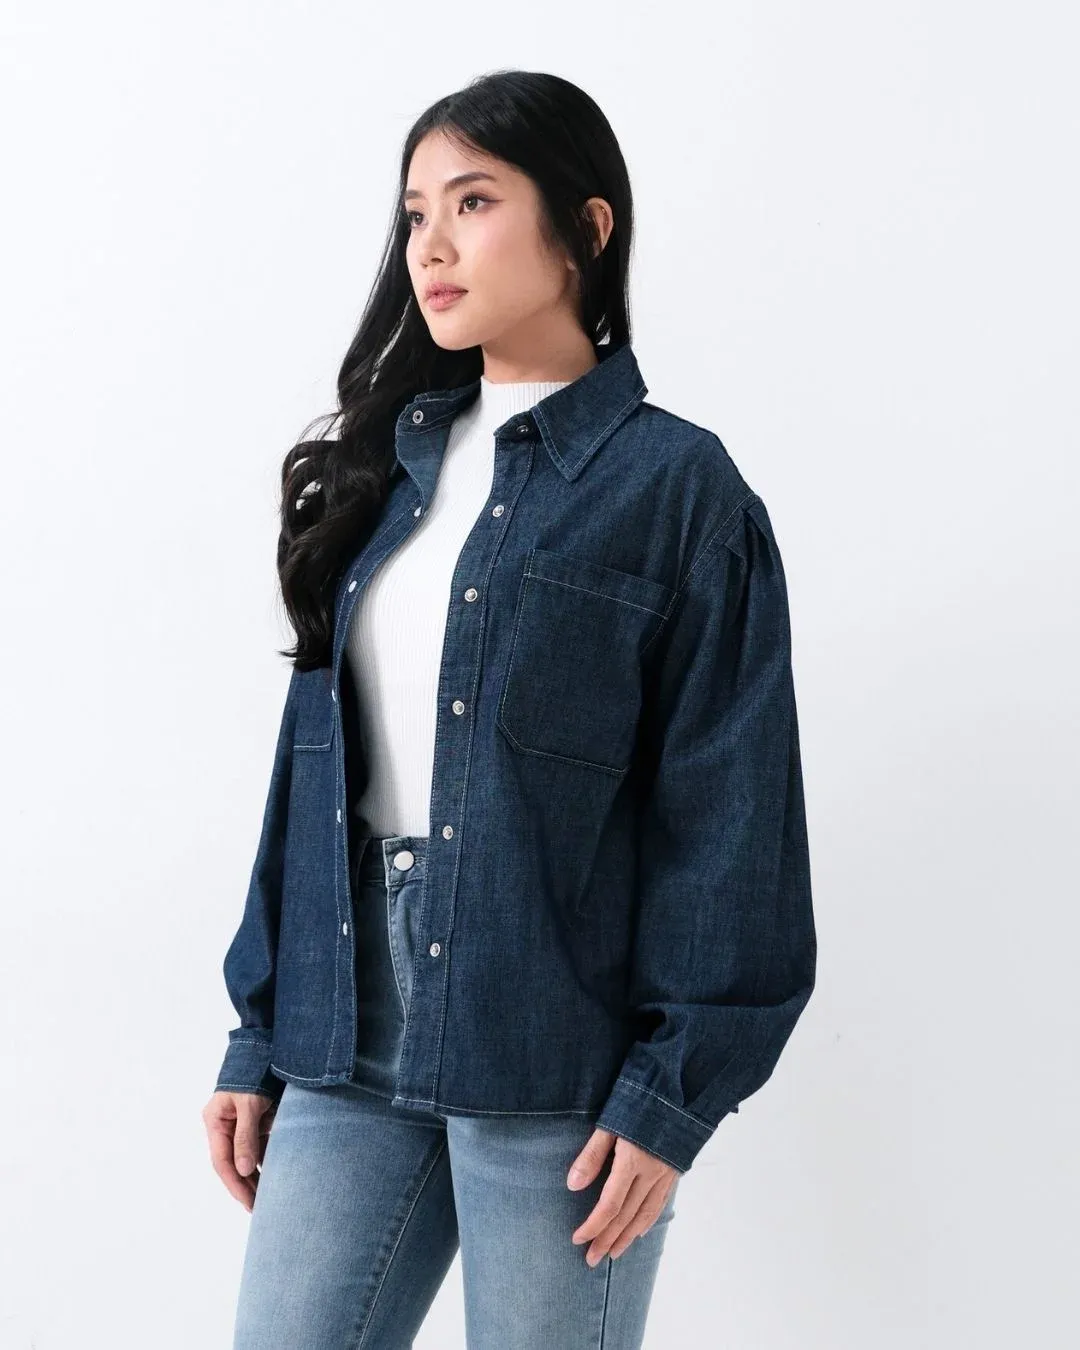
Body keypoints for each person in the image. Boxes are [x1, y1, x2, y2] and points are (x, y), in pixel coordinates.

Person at [202, 68, 817, 1350]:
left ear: (587, 228)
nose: (430, 245)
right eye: (415, 212)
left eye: (473, 202)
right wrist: (258, 1032)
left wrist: (672, 1095)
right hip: (344, 1032)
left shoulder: (679, 490)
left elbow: (731, 818)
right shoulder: (382, 472)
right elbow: (311, 774)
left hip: (556, 1061)